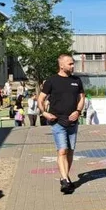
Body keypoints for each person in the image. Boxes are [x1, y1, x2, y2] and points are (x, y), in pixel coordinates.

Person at [39, 54, 85, 194]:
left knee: (70, 151)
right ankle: (65, 180)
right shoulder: (52, 81)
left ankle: (64, 176)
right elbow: (40, 99)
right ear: (61, 65)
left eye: (73, 64)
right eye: (70, 64)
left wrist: (78, 111)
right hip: (57, 120)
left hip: (72, 121)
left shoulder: (76, 80)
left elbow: (82, 98)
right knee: (62, 150)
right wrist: (44, 113)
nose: (72, 66)